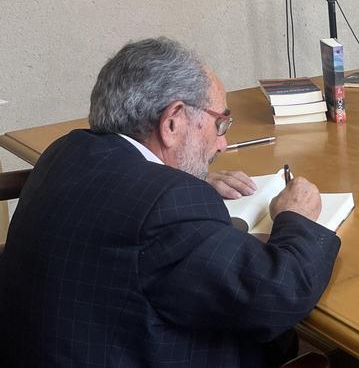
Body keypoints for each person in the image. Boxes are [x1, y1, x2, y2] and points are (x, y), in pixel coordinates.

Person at [0, 38, 340, 366]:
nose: (222, 144)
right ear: (173, 121)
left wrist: (181, 177)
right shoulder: (165, 204)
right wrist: (297, 218)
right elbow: (278, 295)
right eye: (220, 123)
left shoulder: (66, 150)